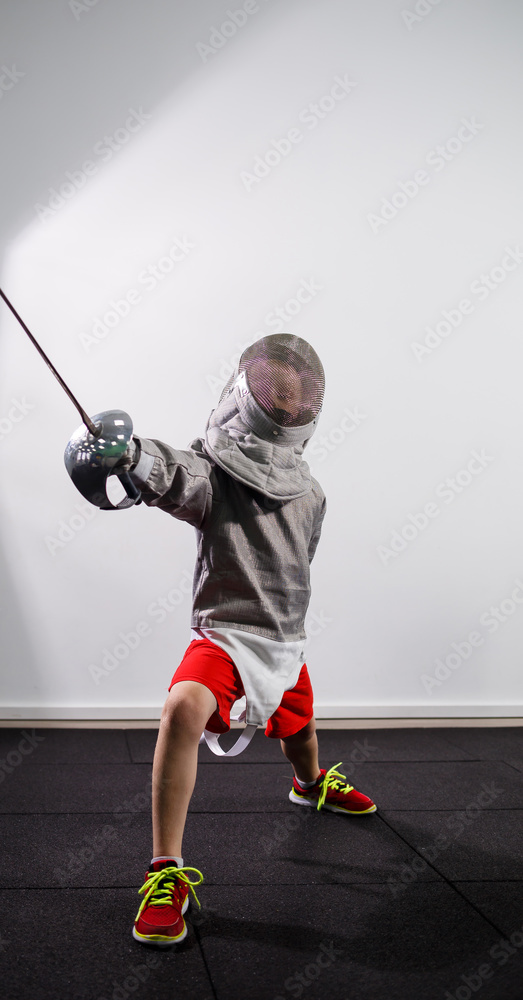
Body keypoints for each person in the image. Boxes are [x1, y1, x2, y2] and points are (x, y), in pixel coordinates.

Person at [110, 334, 377, 946]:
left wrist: (289, 639)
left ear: (305, 406)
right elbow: (174, 474)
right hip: (226, 636)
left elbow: (301, 564)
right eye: (274, 386)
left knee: (301, 731)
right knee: (183, 708)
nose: (284, 397)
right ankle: (165, 871)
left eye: (293, 391)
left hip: (285, 641)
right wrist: (129, 455)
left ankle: (309, 785)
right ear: (249, 389)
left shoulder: (312, 494)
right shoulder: (212, 473)